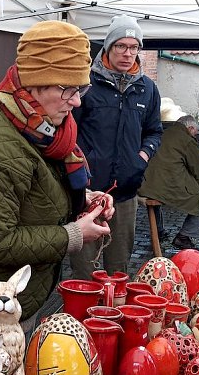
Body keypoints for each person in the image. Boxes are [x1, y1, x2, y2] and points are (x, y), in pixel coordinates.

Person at [0, 21, 114, 328]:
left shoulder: (40, 127)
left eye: (81, 89)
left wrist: (85, 201)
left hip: (22, 292)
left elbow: (34, 190)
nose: (77, 101)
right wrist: (74, 234)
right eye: (68, 89)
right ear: (35, 82)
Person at [70, 14, 163, 278]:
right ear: (109, 47)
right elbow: (68, 133)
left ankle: (113, 316)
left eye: (134, 47)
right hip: (87, 193)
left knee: (118, 270)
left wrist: (142, 157)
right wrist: (80, 170)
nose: (127, 53)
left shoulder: (147, 89)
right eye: (121, 46)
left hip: (124, 194)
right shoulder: (87, 84)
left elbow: (154, 132)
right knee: (85, 270)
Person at [139, 113, 199, 251]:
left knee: (157, 190)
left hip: (146, 185)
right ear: (190, 128)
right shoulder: (186, 139)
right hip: (164, 186)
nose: (194, 136)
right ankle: (184, 236)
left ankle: (159, 231)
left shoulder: (163, 132)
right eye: (194, 133)